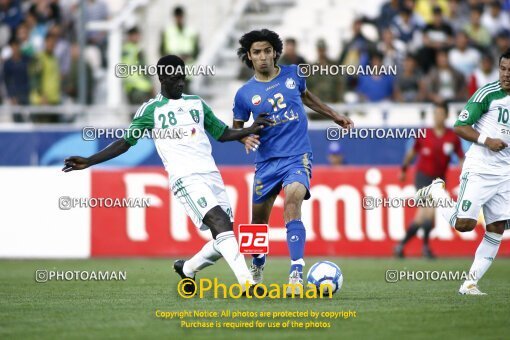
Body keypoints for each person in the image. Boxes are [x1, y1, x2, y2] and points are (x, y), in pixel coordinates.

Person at [62, 55, 272, 295]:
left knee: (224, 237)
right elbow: (125, 143)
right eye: (175, 77)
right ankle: (247, 285)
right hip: (185, 178)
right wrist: (90, 161)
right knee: (220, 224)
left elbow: (222, 133)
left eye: (183, 76)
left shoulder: (196, 103)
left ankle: (188, 268)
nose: (180, 82)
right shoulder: (150, 110)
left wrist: (249, 130)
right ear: (161, 77)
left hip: (211, 175)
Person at [232, 29, 353, 296]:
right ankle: (257, 266)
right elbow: (237, 127)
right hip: (266, 163)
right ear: (249, 57)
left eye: (266, 51)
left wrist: (334, 114)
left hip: (297, 156)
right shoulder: (244, 94)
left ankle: (296, 273)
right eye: (256, 52)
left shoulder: (294, 74)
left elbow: (307, 96)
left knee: (293, 201)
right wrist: (246, 137)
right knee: (257, 224)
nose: (262, 57)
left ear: (275, 52)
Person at [416, 49, 510, 295]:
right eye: (503, 69)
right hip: (480, 167)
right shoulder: (487, 94)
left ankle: (470, 283)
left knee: (497, 228)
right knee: (464, 224)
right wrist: (487, 140)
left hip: (505, 173)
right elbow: (460, 126)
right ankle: (437, 192)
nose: (506, 75)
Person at [395, 102, 464, 259]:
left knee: (422, 218)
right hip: (422, 177)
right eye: (435, 114)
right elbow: (412, 153)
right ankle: (426, 248)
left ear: (446, 116)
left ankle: (400, 246)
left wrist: (467, 173)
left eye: (440, 114)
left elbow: (461, 158)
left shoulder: (452, 137)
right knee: (429, 211)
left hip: (439, 180)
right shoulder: (423, 133)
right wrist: (404, 170)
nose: (437, 117)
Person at [121, 27, 153, 104]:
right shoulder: (137, 50)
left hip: (129, 87)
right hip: (141, 87)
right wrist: (151, 85)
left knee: (134, 113)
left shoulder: (124, 49)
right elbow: (145, 69)